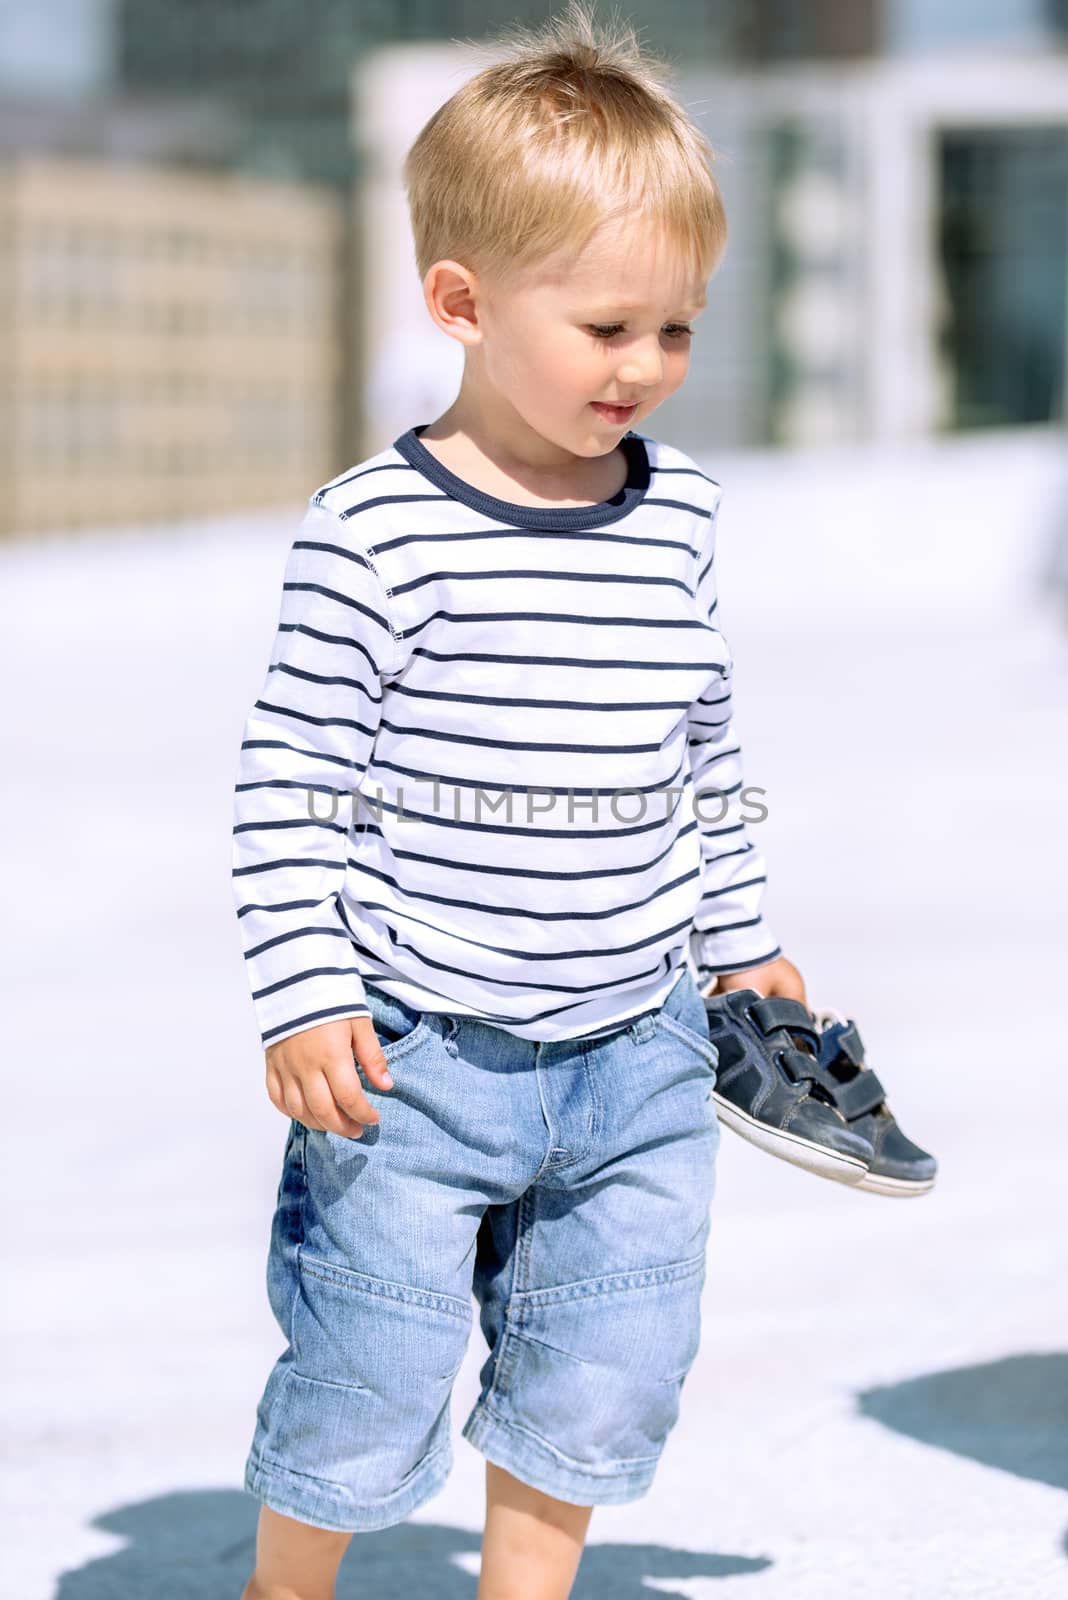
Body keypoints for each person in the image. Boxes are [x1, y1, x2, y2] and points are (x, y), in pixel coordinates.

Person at [231, 6, 806, 1597]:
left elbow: (703, 746)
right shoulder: (372, 535)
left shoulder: (678, 511)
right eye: (609, 327)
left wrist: (744, 944)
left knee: (606, 1360)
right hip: (415, 1056)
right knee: (370, 1372)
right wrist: (303, 990)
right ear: (463, 305)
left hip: (638, 1049)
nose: (647, 369)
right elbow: (289, 781)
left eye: (677, 330)